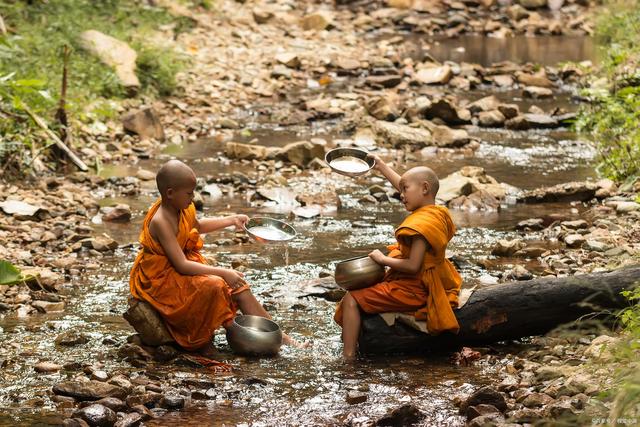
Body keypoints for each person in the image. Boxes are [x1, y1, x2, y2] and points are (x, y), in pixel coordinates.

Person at [129, 159, 301, 353]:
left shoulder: (183, 207)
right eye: (189, 193)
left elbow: (199, 226)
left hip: (180, 266)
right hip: (161, 278)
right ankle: (224, 339)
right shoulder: (161, 221)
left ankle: (281, 337)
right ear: (170, 193)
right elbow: (181, 265)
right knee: (217, 284)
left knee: (238, 285)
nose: (192, 197)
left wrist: (231, 220)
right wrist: (223, 272)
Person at [334, 155, 462, 359]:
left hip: (415, 288)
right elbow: (408, 185)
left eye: (404, 190)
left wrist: (382, 260)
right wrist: (382, 166)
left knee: (351, 299)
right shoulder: (436, 212)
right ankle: (351, 342)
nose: (401, 195)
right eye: (400, 190)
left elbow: (412, 266)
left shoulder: (422, 227)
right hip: (425, 280)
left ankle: (348, 358)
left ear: (425, 188)